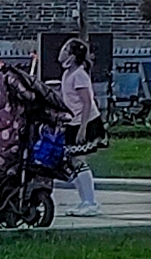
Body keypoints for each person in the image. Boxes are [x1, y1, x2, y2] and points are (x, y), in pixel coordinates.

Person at [57, 38, 101, 217]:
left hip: (84, 122)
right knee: (72, 162)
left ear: (73, 55)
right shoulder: (68, 73)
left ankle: (90, 202)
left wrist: (83, 127)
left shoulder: (79, 75)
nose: (61, 51)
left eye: (65, 49)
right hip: (72, 121)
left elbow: (86, 102)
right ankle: (84, 201)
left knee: (79, 160)